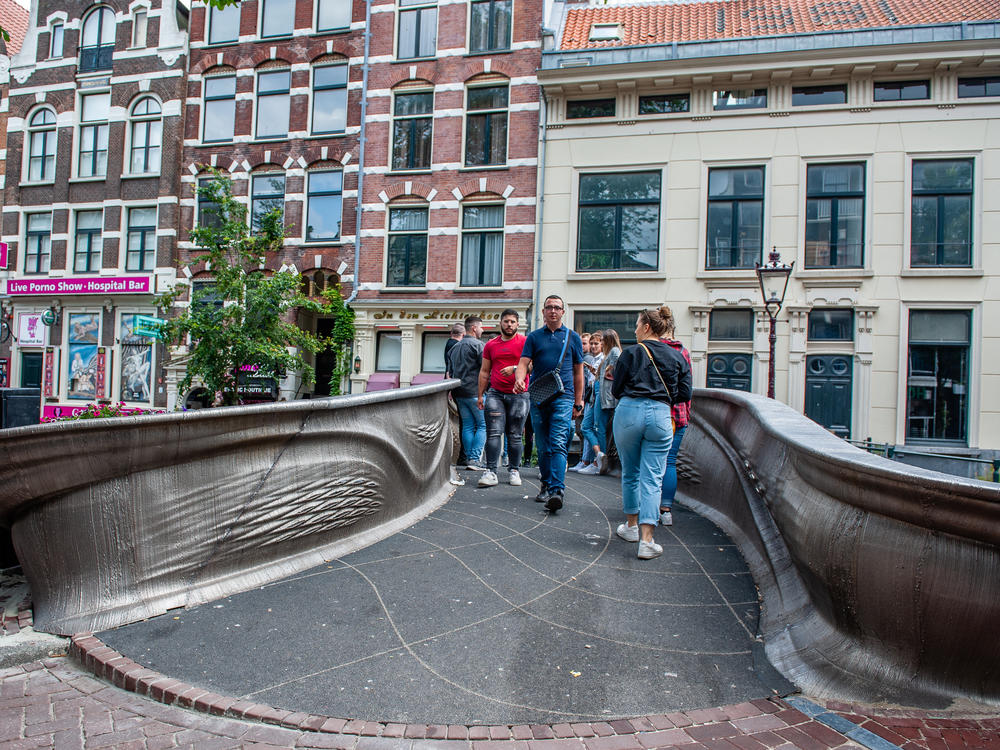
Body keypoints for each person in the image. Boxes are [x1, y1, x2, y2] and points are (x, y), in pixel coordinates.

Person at [612, 307, 692, 559]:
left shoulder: (631, 353)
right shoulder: (677, 355)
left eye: (637, 325)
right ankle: (647, 541)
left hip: (628, 413)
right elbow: (685, 394)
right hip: (660, 414)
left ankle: (631, 527)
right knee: (653, 477)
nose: (634, 330)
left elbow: (616, 389)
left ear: (646, 327)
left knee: (631, 473)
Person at [514, 295, 584, 513]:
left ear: (563, 311)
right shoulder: (534, 337)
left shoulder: (573, 338)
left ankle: (557, 490)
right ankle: (545, 484)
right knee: (542, 446)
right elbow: (523, 363)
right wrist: (519, 378)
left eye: (557, 307)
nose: (553, 311)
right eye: (549, 307)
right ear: (543, 312)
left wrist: (579, 401)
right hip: (538, 397)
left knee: (557, 442)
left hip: (564, 396)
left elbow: (578, 371)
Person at [476, 309, 530, 488]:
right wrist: (480, 395)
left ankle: (514, 470)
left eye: (513, 322)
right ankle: (491, 471)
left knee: (514, 435)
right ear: (501, 323)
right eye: (506, 321)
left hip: (519, 395)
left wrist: (515, 368)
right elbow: (484, 372)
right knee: (493, 433)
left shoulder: (525, 342)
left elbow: (532, 366)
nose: (509, 325)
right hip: (495, 393)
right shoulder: (491, 345)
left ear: (517, 324)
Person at [659, 312, 692, 526]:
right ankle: (666, 509)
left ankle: (645, 508)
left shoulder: (652, 350)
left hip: (657, 413)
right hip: (678, 415)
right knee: (670, 461)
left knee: (650, 463)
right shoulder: (684, 352)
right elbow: (687, 388)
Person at [448, 316, 486, 470]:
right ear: (474, 328)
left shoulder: (454, 348)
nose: (483, 330)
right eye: (481, 327)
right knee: (482, 425)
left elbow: (450, 372)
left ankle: (469, 458)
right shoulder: (479, 346)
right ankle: (475, 459)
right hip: (475, 392)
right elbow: (485, 371)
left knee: (468, 426)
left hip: (459, 392)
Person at [574, 333, 606, 474]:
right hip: (592, 396)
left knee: (591, 428)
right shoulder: (594, 360)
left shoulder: (603, 359)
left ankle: (597, 459)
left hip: (597, 397)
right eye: (591, 343)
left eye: (595, 344)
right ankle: (590, 460)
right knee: (587, 428)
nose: (592, 346)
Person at [594, 329, 622, 474]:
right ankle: (603, 458)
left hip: (607, 396)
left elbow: (615, 373)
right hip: (605, 394)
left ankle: (604, 458)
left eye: (603, 339)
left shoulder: (615, 352)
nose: (601, 342)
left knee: (601, 426)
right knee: (602, 426)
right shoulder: (611, 353)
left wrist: (609, 370)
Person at [445, 322, 468, 466]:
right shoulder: (455, 346)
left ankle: (460, 455)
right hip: (460, 389)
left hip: (452, 389)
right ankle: (464, 456)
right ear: (463, 335)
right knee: (467, 423)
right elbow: (449, 370)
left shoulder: (448, 344)